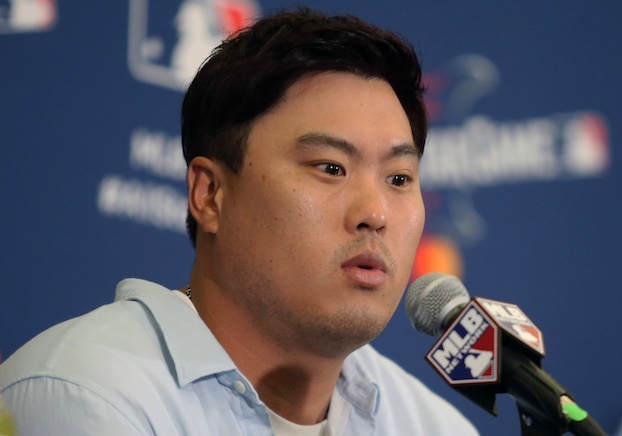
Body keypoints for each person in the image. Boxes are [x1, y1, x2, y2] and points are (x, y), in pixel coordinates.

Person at [0, 7, 477, 435]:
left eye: (398, 178)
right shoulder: (86, 397)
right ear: (209, 194)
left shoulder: (432, 425)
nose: (374, 214)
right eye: (331, 168)